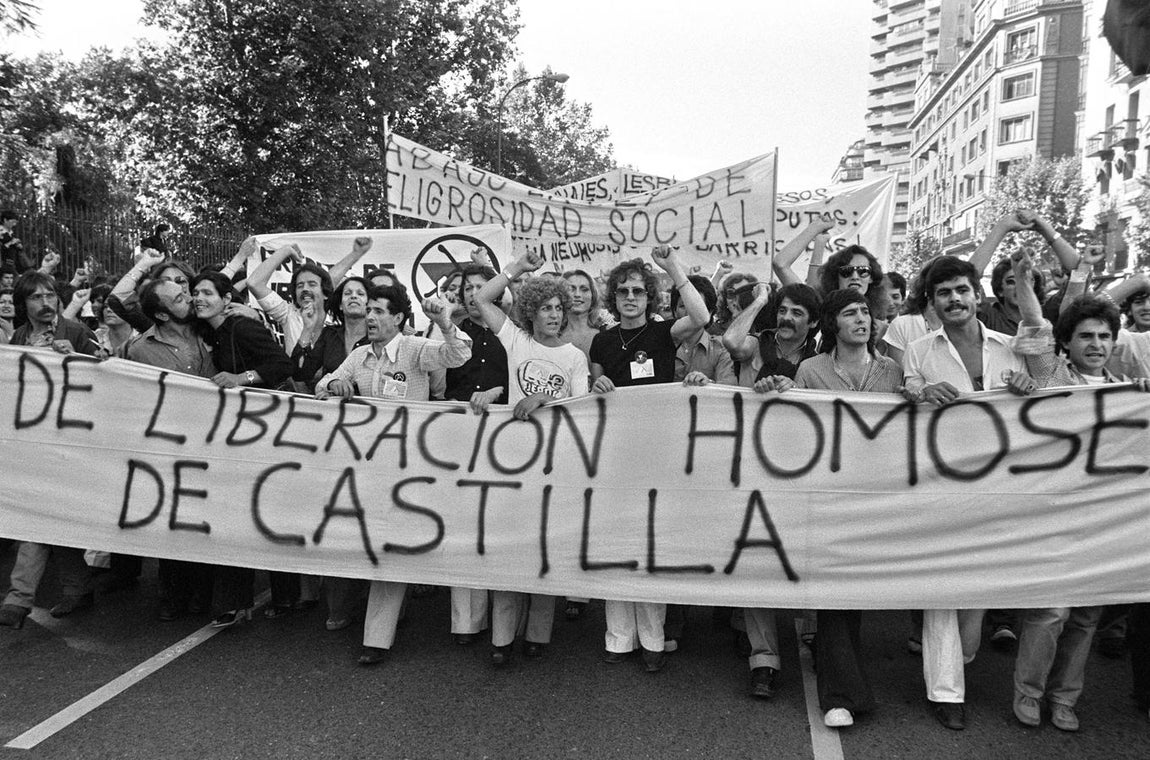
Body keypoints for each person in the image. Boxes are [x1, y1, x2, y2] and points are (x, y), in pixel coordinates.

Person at [1007, 250, 1150, 732]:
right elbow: (1033, 324)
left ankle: (1065, 699)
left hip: (1103, 520)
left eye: (1105, 337)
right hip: (1053, 514)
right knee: (1050, 611)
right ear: (1066, 343)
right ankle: (1029, 692)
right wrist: (1024, 282)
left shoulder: (1128, 391)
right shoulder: (1051, 377)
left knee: (1087, 615)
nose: (1096, 344)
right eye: (1086, 336)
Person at [901, 255, 1033, 731]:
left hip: (1000, 486)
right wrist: (919, 392)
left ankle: (961, 658)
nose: (954, 299)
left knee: (977, 591)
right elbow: (906, 390)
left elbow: (1048, 385)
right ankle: (946, 692)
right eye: (943, 293)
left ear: (977, 295)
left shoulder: (1011, 347)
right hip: (941, 484)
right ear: (933, 303)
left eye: (961, 290)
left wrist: (1029, 384)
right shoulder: (918, 350)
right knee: (941, 588)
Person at [314, 284, 471, 666]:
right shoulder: (359, 356)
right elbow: (322, 385)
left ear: (399, 318)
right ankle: (385, 619)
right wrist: (334, 384)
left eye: (379, 311)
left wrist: (444, 322)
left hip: (411, 470)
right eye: (368, 310)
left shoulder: (415, 350)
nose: (370, 317)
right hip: (370, 468)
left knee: (394, 546)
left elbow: (458, 355)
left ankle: (378, 638)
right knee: (381, 546)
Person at [767, 289, 902, 728]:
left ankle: (841, 680)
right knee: (835, 594)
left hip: (876, 497)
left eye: (865, 312)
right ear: (833, 324)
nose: (862, 319)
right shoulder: (811, 370)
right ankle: (840, 695)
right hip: (826, 496)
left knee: (856, 593)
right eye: (850, 313)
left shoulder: (892, 371)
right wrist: (782, 393)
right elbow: (795, 428)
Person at [590, 245, 709, 673]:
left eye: (638, 291)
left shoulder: (663, 333)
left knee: (650, 544)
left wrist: (672, 267)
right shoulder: (602, 340)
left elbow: (701, 317)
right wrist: (598, 385)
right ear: (613, 296)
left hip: (658, 452)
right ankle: (618, 637)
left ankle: (653, 638)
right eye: (623, 290)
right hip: (614, 453)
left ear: (649, 297)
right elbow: (595, 387)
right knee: (616, 544)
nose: (630, 297)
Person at [473, 250, 590, 666]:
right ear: (531, 312)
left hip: (554, 463)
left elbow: (581, 409)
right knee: (509, 550)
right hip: (511, 461)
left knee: (543, 551)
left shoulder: (575, 356)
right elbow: (482, 300)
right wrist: (516, 269)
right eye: (545, 308)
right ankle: (502, 637)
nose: (554, 315)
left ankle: (538, 633)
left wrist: (543, 399)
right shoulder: (516, 341)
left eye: (559, 308)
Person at [189, 271, 295, 627]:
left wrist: (241, 379)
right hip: (236, 437)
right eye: (195, 292)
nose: (198, 298)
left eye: (207, 293)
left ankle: (286, 596)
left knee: (270, 512)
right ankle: (235, 601)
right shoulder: (211, 332)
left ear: (226, 300)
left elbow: (282, 365)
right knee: (236, 515)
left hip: (267, 434)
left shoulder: (242, 327)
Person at [0, 272, 101, 629]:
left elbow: (109, 373)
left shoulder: (76, 332)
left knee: (42, 518)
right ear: (23, 304)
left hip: (71, 441)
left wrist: (78, 357)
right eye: (36, 297)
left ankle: (18, 599)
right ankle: (78, 588)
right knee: (51, 518)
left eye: (50, 295)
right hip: (34, 441)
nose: (45, 303)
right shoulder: (18, 337)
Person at [125, 278, 217, 620]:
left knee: (205, 522)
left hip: (212, 443)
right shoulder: (139, 350)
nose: (190, 299)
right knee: (173, 522)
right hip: (169, 447)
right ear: (162, 315)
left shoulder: (209, 330)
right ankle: (172, 595)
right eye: (179, 298)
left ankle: (204, 594)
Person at [246, 237, 371, 354]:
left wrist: (356, 253)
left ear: (326, 293)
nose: (305, 289)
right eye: (300, 285)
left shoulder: (337, 318)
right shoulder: (289, 315)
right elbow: (254, 283)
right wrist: (285, 250)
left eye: (312, 284)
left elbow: (330, 279)